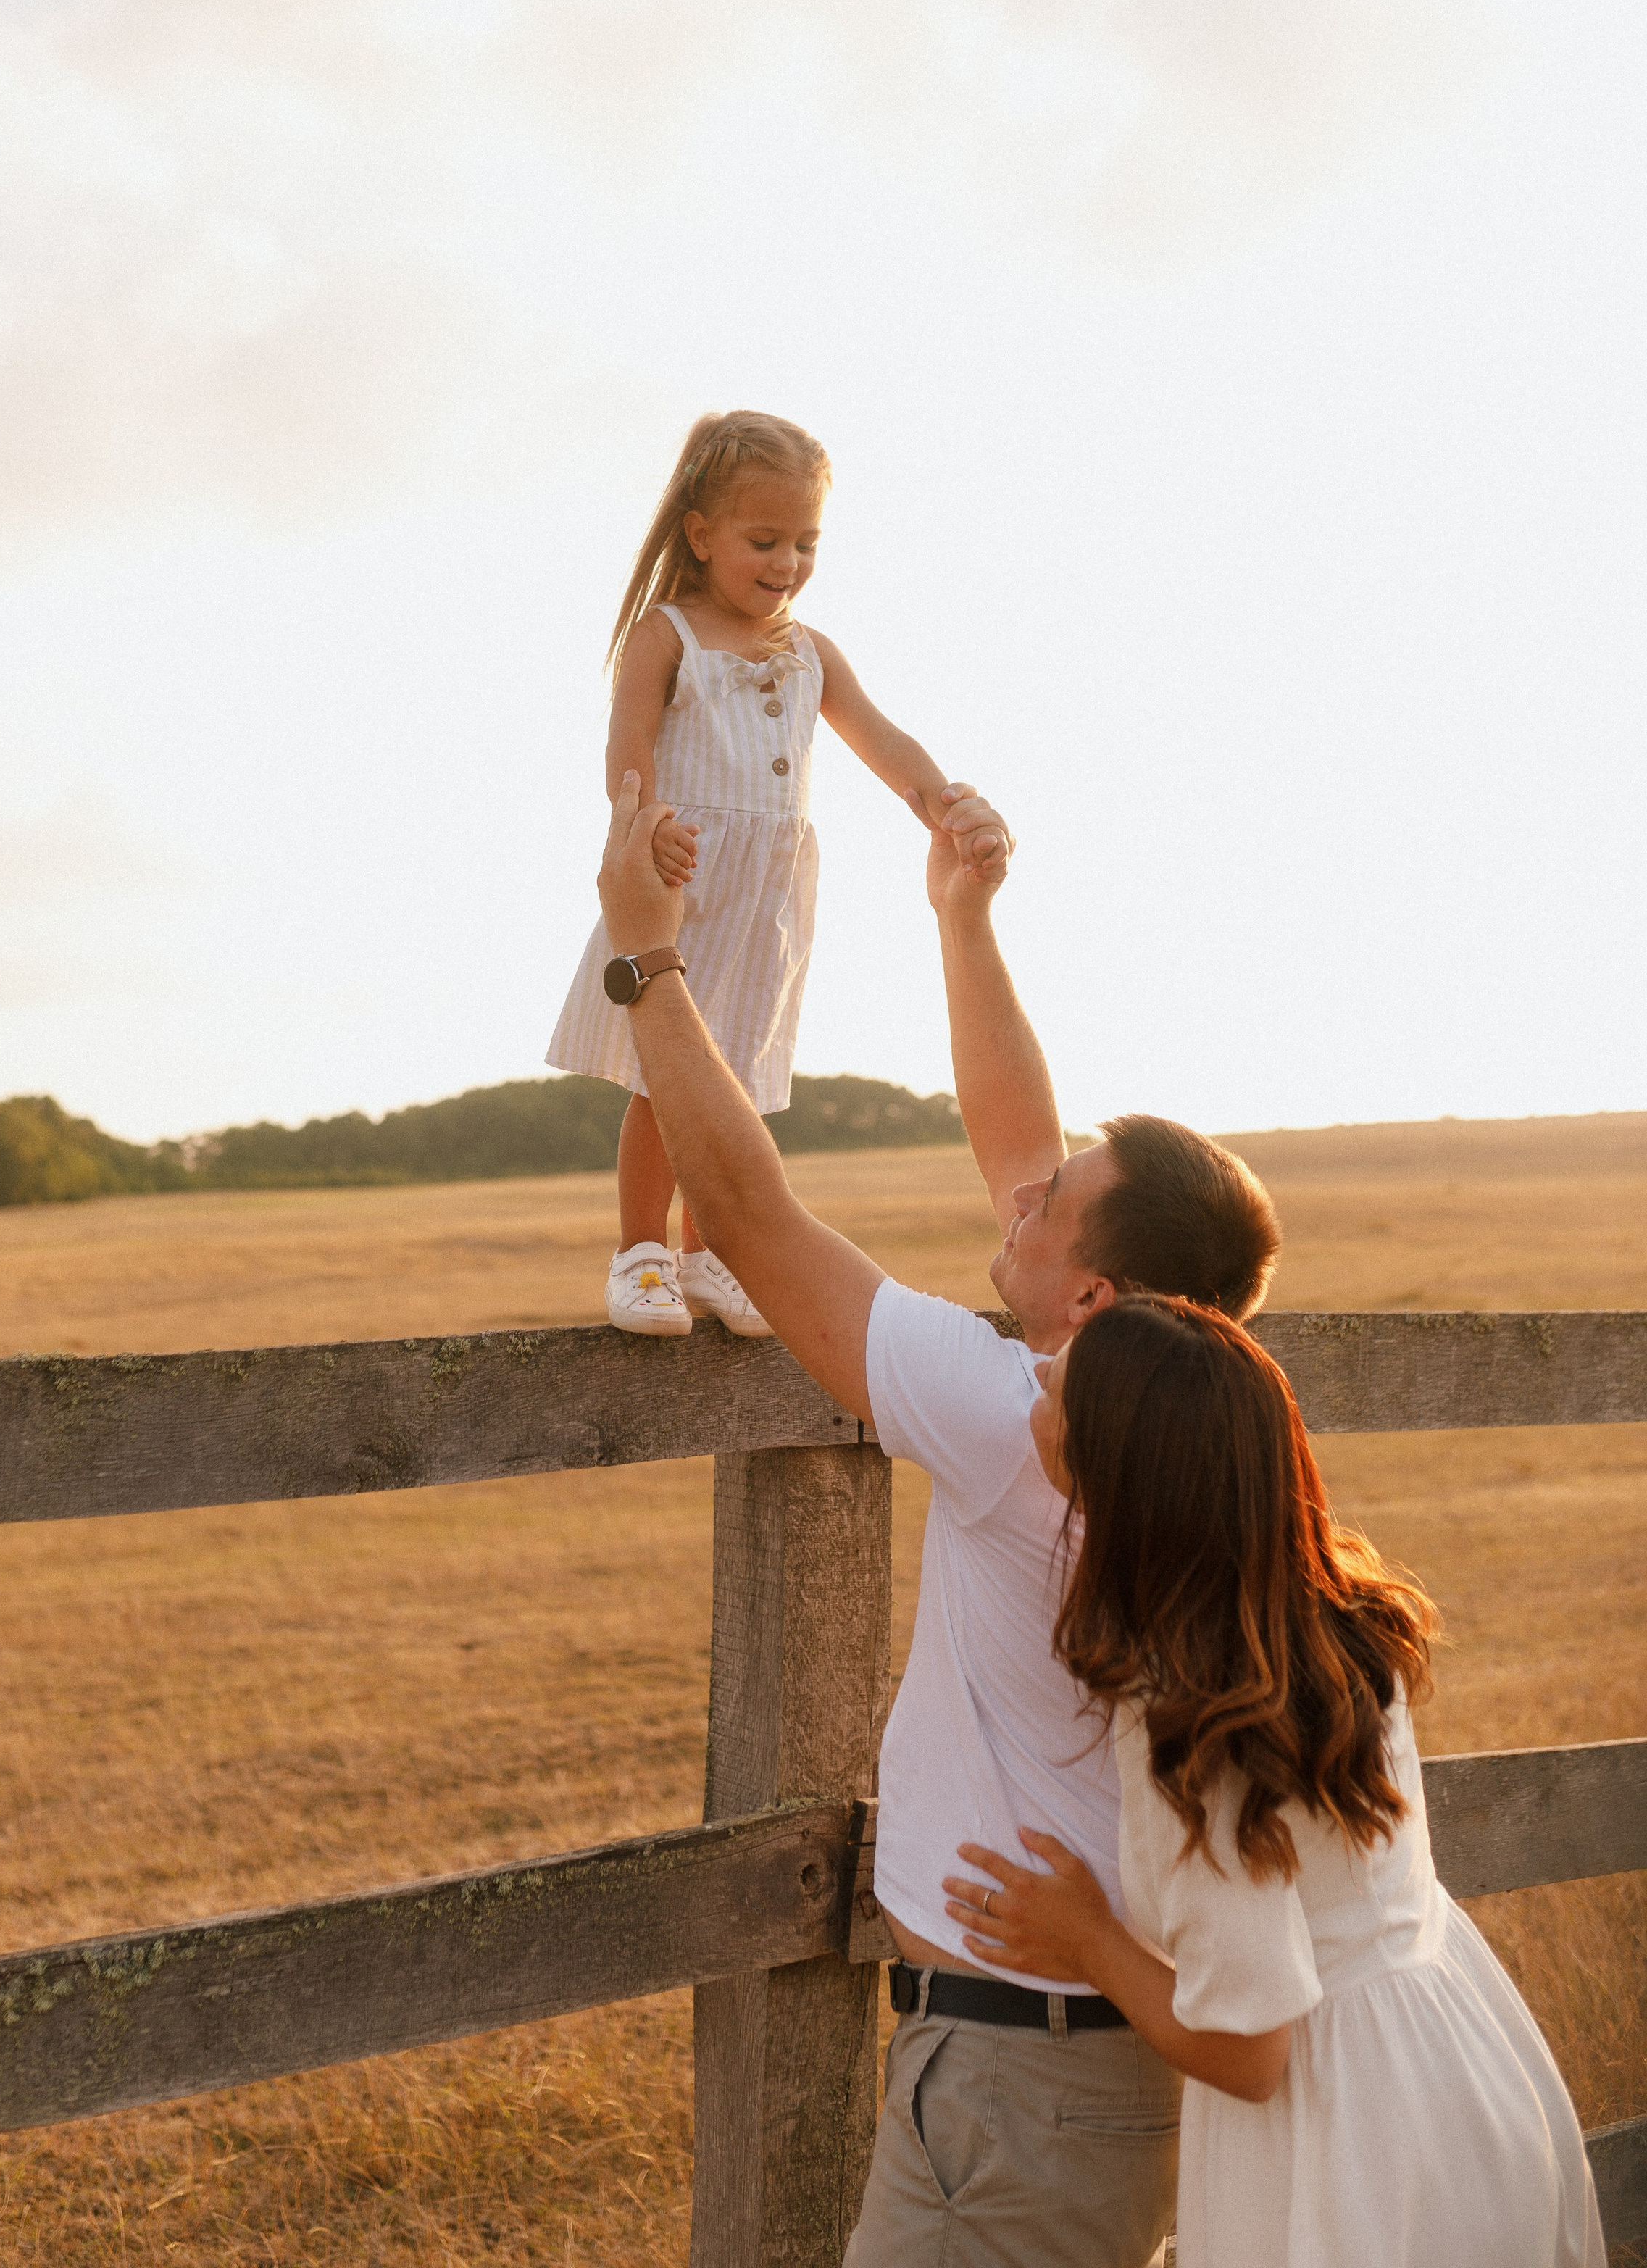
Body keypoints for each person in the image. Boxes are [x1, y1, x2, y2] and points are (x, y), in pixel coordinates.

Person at [591, 763, 1283, 2267]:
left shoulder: (1009, 1421)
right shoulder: (1199, 1431)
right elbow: (1025, 1147)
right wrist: (963, 923)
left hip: (1011, 2092)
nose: (1014, 1202)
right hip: (1090, 2080)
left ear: (1090, 1300)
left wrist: (644, 958)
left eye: (1049, 1208)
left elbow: (755, 1219)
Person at [938, 1296, 1604, 2268]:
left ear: (1113, 1477)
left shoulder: (1192, 1723)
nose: (1036, 1377)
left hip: (1346, 2154)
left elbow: (1251, 2055)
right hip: (1466, 2081)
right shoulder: (1338, 1616)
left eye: (1063, 1391)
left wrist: (1088, 1939)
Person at [549, 409, 985, 1341]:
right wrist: (645, 824)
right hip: (684, 884)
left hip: (770, 900)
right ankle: (642, 1254)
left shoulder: (810, 652)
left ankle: (713, 1255)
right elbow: (627, 748)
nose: (786, 562)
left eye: (805, 542)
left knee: (739, 1078)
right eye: (764, 540)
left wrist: (939, 799)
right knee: (666, 1081)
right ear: (701, 535)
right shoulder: (666, 636)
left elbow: (879, 736)